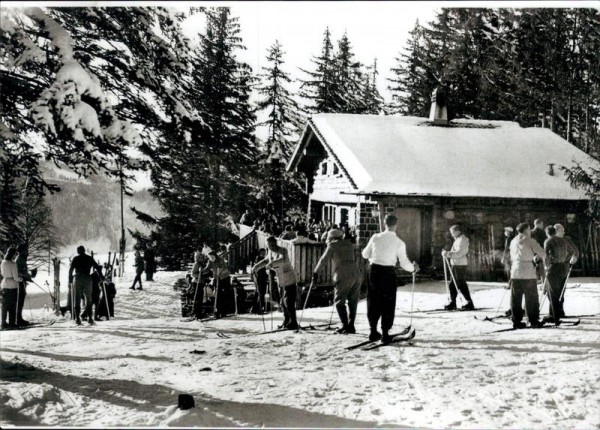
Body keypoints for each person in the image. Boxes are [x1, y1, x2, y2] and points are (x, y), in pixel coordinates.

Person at [362, 215, 419, 343]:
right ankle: (385, 333)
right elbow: (404, 263)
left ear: (384, 223)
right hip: (388, 272)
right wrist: (413, 268)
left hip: (374, 271)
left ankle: (372, 330)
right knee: (388, 302)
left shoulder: (375, 237)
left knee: (373, 299)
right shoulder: (399, 242)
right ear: (396, 225)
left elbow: (365, 254)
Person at [313, 229, 362, 334]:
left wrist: (316, 272)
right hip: (356, 273)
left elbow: (323, 260)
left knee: (339, 301)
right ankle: (351, 325)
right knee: (353, 301)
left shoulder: (332, 245)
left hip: (343, 274)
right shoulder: (349, 244)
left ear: (331, 238)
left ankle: (345, 325)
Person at [253, 236, 299, 330]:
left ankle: (293, 322)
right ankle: (287, 321)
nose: (272, 247)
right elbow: (266, 260)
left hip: (289, 279)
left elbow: (283, 260)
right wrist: (256, 267)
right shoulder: (270, 252)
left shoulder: (283, 250)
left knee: (288, 302)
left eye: (273, 245)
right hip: (281, 281)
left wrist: (271, 264)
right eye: (270, 245)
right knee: (282, 302)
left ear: (276, 243)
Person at [509, 222, 545, 329]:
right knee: (531, 297)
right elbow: (542, 253)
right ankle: (533, 320)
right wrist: (536, 257)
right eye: (529, 229)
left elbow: (512, 255)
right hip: (527, 271)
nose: (530, 231)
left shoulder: (513, 241)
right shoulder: (530, 241)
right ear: (525, 230)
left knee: (516, 297)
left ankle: (516, 320)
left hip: (515, 270)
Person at [543, 226, 578, 325]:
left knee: (551, 291)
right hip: (563, 267)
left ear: (547, 233)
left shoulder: (548, 241)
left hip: (553, 267)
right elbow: (573, 251)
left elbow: (546, 255)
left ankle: (554, 315)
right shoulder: (564, 241)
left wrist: (547, 266)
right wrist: (566, 260)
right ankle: (556, 312)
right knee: (559, 291)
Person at [441, 225, 475, 310]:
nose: (452, 235)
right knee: (456, 284)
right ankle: (456, 302)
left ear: (458, 231)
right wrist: (447, 253)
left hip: (460, 264)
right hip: (456, 264)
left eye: (453, 232)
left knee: (458, 284)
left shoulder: (463, 239)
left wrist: (448, 254)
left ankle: (465, 302)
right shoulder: (458, 239)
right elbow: (455, 251)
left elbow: (460, 253)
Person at [68, 245, 103, 325]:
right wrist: (101, 277)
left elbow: (71, 270)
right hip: (87, 278)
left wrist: (70, 280)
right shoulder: (89, 258)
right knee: (88, 298)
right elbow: (97, 267)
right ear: (84, 250)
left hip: (77, 279)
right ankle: (90, 317)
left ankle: (77, 318)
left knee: (77, 298)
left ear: (78, 251)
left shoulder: (75, 259)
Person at [202, 251, 232, 318]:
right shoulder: (210, 261)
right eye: (210, 257)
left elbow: (224, 268)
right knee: (218, 294)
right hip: (217, 278)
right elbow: (207, 269)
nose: (211, 258)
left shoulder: (220, 260)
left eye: (212, 257)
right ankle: (218, 311)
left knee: (225, 294)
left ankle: (224, 312)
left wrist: (220, 272)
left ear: (215, 256)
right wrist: (202, 271)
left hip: (225, 277)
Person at [16, 244, 36, 327]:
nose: (27, 251)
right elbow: (19, 272)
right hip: (20, 283)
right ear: (22, 251)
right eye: (26, 250)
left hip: (22, 282)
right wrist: (27, 276)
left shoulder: (22, 259)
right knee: (19, 301)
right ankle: (18, 319)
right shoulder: (20, 259)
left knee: (21, 301)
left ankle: (19, 318)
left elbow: (23, 272)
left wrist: (29, 276)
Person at [1, 247, 21, 329]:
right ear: (13, 254)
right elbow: (16, 277)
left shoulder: (3, 262)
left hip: (5, 284)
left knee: (5, 305)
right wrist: (21, 279)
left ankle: (3, 322)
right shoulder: (12, 264)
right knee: (12, 305)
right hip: (12, 285)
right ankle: (12, 322)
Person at [251, 248, 269, 314]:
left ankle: (255, 308)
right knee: (260, 293)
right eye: (263, 252)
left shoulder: (258, 259)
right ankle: (259, 308)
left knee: (258, 292)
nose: (264, 254)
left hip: (260, 277)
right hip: (260, 278)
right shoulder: (260, 259)